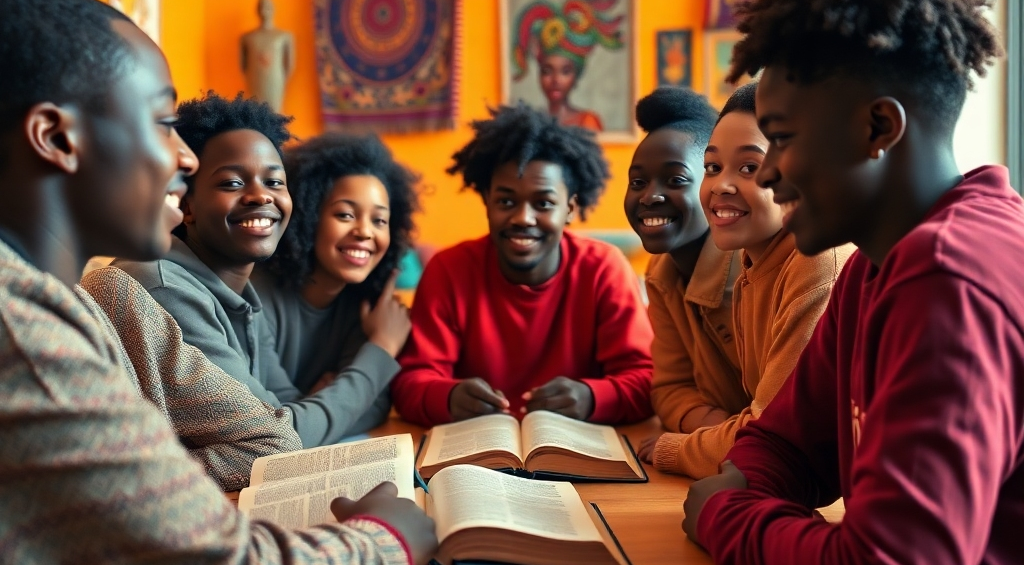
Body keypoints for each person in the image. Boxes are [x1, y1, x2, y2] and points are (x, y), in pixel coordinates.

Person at [0, 0, 435, 565]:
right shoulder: (26, 335)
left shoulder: (83, 301)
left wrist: (150, 492)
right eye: (162, 122)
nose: (186, 157)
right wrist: (388, 540)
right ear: (55, 138)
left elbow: (268, 435)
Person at [682, 0, 1022, 565]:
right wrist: (752, 493)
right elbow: (785, 447)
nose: (766, 176)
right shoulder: (883, 259)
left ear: (877, 128)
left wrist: (728, 519)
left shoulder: (950, 276)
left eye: (782, 140)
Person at [111, 93, 388, 447]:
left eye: (274, 182)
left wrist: (315, 411)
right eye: (232, 183)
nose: (261, 197)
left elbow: (292, 410)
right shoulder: (164, 288)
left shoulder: (240, 296)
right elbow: (283, 434)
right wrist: (381, 350)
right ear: (187, 204)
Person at [391, 102, 653, 426]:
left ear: (570, 208)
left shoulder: (603, 269)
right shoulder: (449, 271)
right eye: (506, 201)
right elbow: (409, 383)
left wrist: (590, 397)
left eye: (543, 203)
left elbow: (646, 381)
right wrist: (446, 396)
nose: (522, 218)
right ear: (486, 201)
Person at [640, 82, 851, 478]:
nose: (721, 184)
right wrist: (723, 430)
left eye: (750, 168)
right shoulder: (753, 260)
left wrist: (677, 448)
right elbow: (676, 392)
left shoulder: (817, 263)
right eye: (712, 167)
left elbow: (771, 437)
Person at [81, 254, 302, 492]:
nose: (174, 215)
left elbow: (278, 434)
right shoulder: (150, 284)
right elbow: (279, 438)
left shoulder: (112, 291)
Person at [253, 133, 420, 432]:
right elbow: (290, 430)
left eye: (379, 220)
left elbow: (376, 408)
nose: (365, 232)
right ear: (308, 216)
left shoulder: (365, 305)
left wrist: (322, 406)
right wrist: (382, 347)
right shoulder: (256, 297)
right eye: (345, 214)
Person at [623, 86, 746, 446]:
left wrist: (692, 443)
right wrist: (714, 427)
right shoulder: (660, 273)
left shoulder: (749, 269)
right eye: (637, 182)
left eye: (676, 180)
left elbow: (779, 417)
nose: (650, 196)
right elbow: (669, 388)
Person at [511, 0, 625, 131]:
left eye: (565, 71)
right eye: (547, 71)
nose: (556, 80)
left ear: (576, 76)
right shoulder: (528, 125)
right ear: (539, 75)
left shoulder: (588, 122)